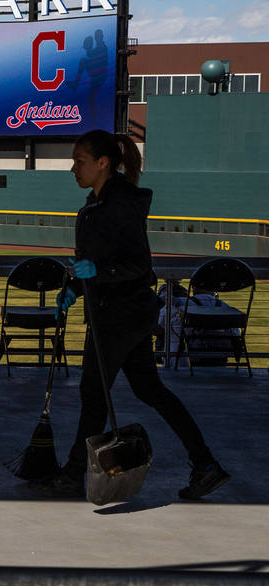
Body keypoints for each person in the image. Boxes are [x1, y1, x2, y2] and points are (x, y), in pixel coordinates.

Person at [32, 130, 230, 500]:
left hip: (118, 316)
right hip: (127, 312)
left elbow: (137, 264)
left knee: (93, 396)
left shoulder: (118, 203)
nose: (73, 168)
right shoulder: (100, 202)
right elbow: (103, 260)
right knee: (149, 389)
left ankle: (75, 475)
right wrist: (78, 287)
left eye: (80, 161)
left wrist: (96, 275)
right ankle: (205, 465)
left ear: (102, 163)